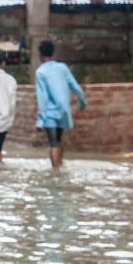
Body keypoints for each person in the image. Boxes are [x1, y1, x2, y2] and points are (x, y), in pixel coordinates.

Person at [35, 39, 87, 168]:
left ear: (40, 55)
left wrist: (40, 120)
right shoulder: (62, 68)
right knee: (59, 140)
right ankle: (61, 165)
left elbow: (43, 98)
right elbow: (75, 87)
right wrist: (82, 103)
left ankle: (55, 172)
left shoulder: (40, 72)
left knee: (53, 143)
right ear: (52, 53)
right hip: (63, 111)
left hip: (50, 114)